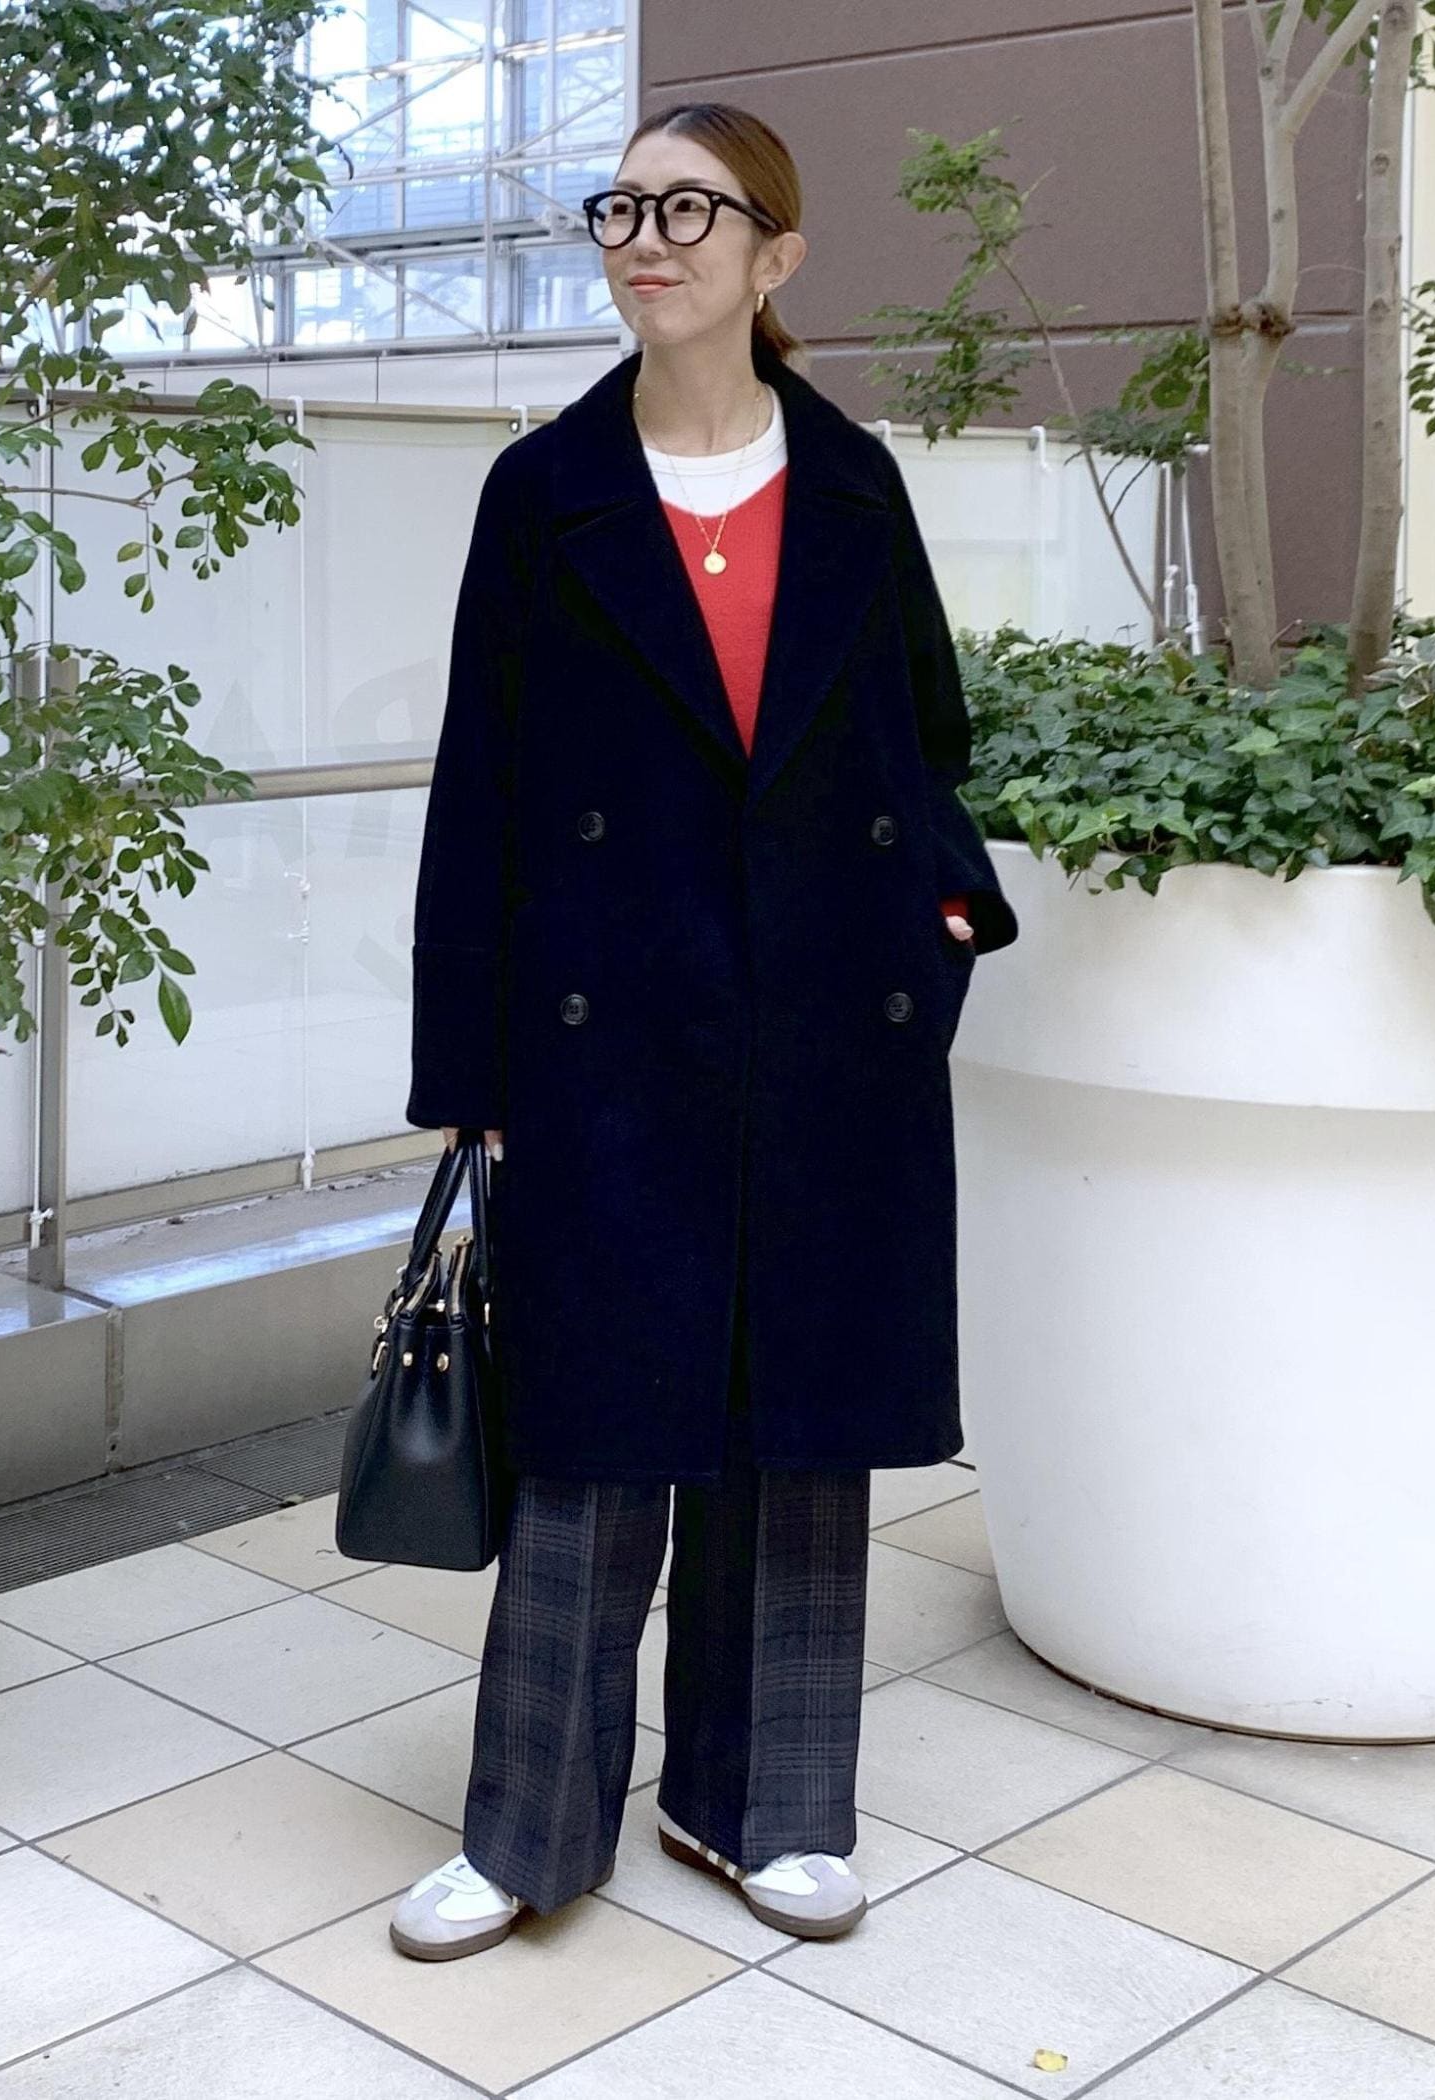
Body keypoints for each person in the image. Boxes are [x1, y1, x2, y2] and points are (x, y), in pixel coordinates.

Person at [389, 99, 1020, 1961]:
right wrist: (470, 1071)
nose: (647, 239)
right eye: (623, 209)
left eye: (691, 209)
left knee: (798, 1426)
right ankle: (528, 1835)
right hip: (606, 1036)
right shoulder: (546, 490)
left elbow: (924, 732)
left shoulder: (853, 485)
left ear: (774, 255)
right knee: (593, 1434)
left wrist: (943, 921)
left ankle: (768, 1807)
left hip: (830, 1021)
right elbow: (480, 788)